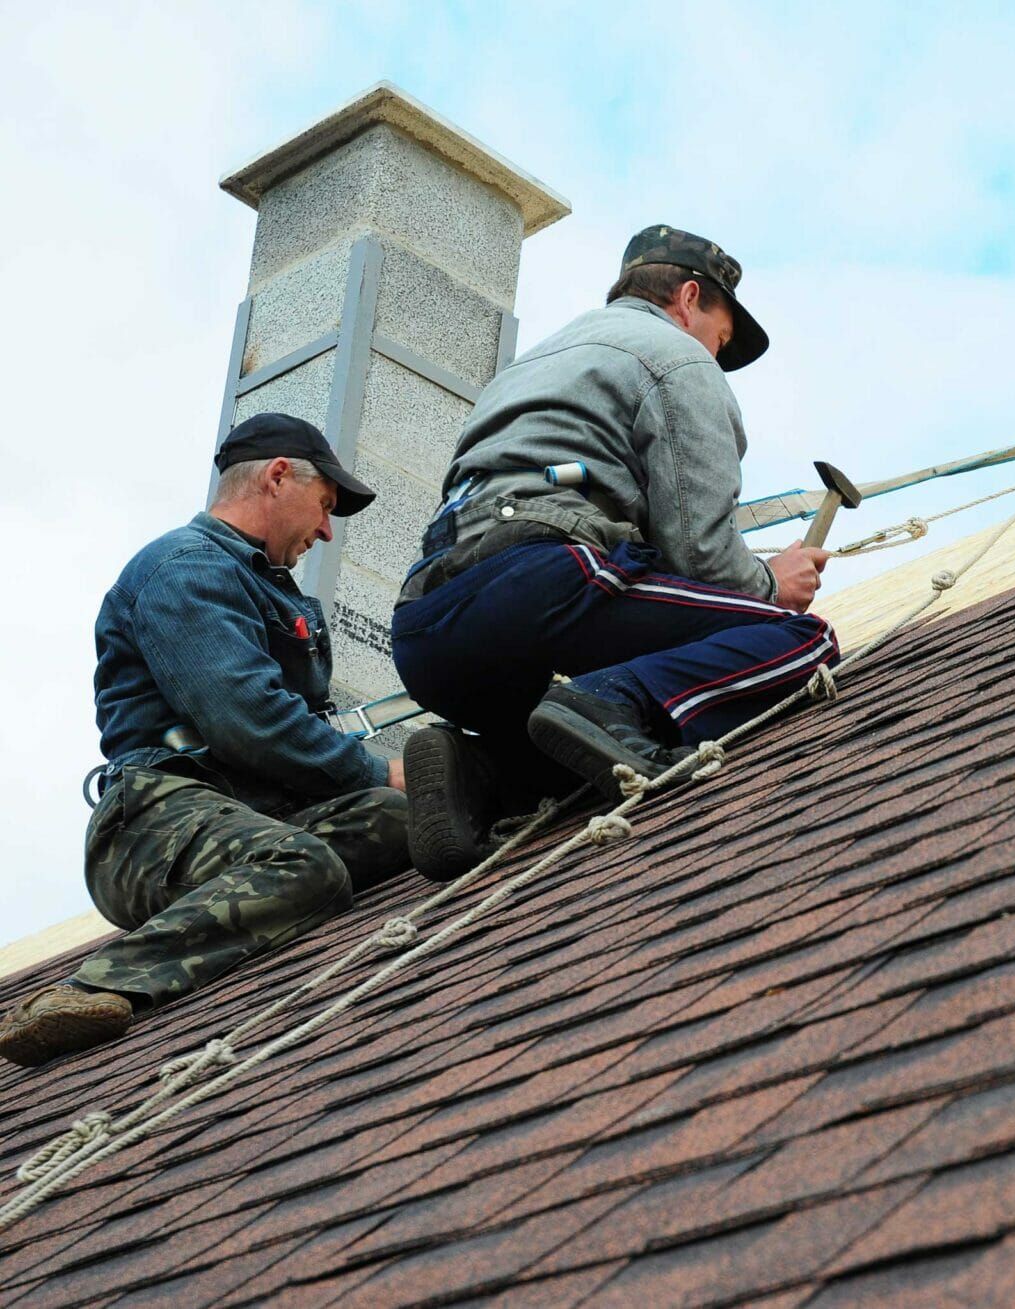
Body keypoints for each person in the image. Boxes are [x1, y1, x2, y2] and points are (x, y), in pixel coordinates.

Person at [391, 224, 836, 880]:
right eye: (722, 336)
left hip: (428, 632)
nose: (716, 353)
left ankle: (481, 771)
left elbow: (561, 485)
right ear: (689, 298)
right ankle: (608, 698)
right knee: (799, 641)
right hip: (540, 585)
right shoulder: (676, 358)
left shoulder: (529, 370)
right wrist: (771, 584)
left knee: (579, 740)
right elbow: (702, 553)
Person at [0, 413, 410, 1067]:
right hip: (153, 821)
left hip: (252, 815)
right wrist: (376, 770)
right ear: (278, 476)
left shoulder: (273, 592)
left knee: (398, 820)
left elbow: (302, 736)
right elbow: (247, 717)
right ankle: (90, 990)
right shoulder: (184, 569)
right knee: (308, 865)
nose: (328, 530)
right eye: (326, 506)